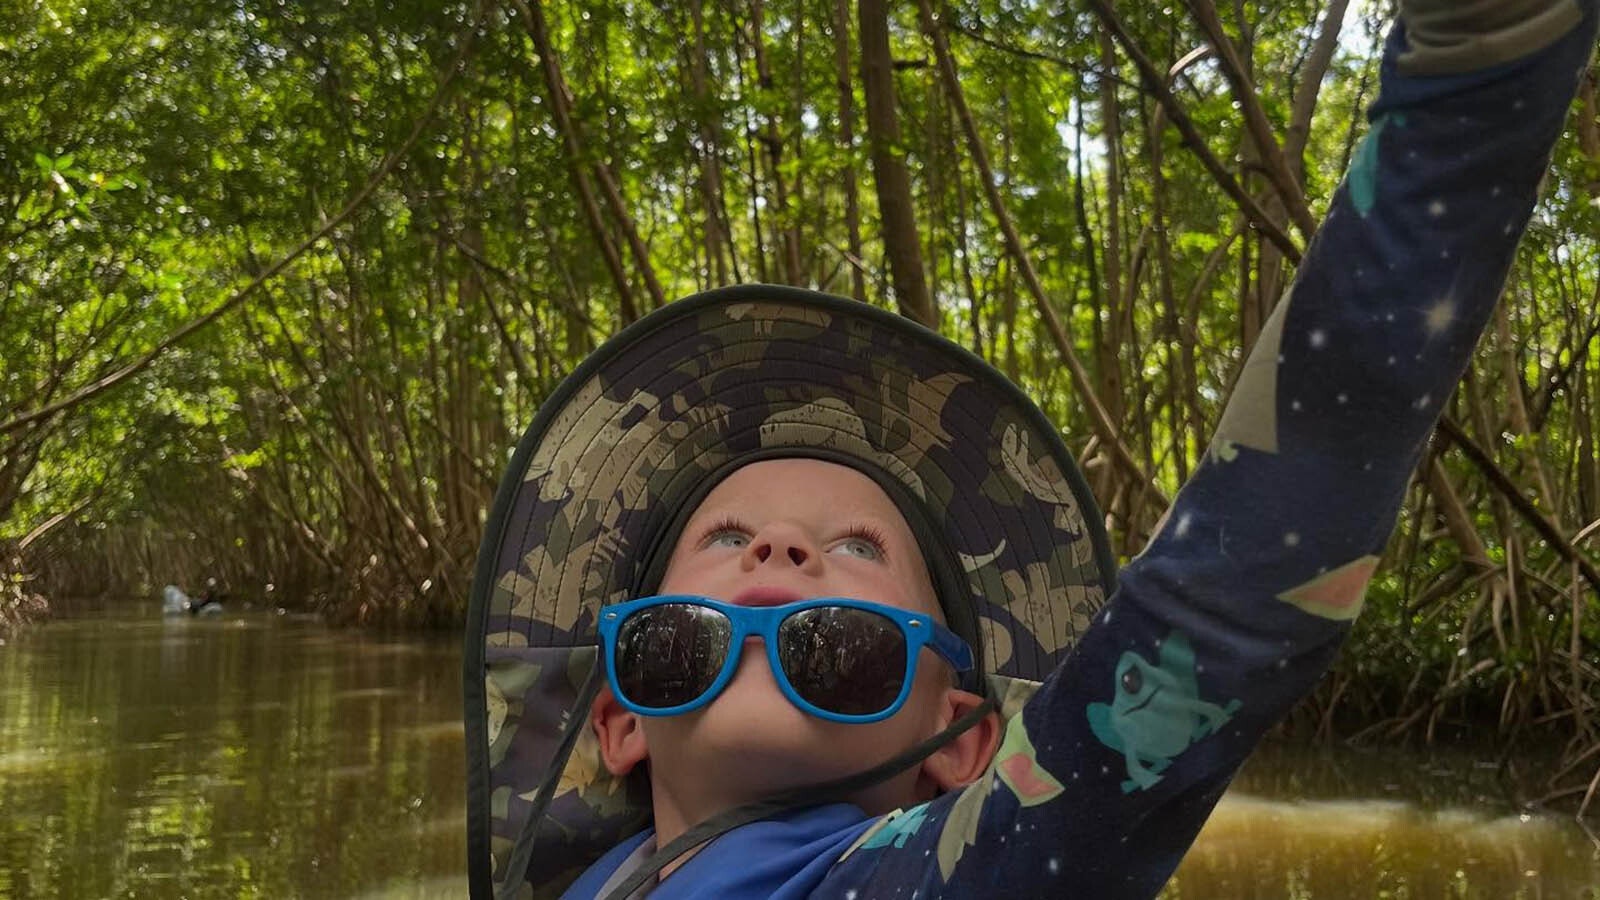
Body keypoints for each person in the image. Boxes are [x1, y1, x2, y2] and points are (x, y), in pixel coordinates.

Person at [463, 2, 1600, 897]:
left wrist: (1477, 70)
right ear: (617, 716)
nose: (777, 548)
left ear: (959, 742)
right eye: (721, 539)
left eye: (854, 552)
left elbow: (1222, 614)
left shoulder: (938, 878)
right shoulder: (589, 879)